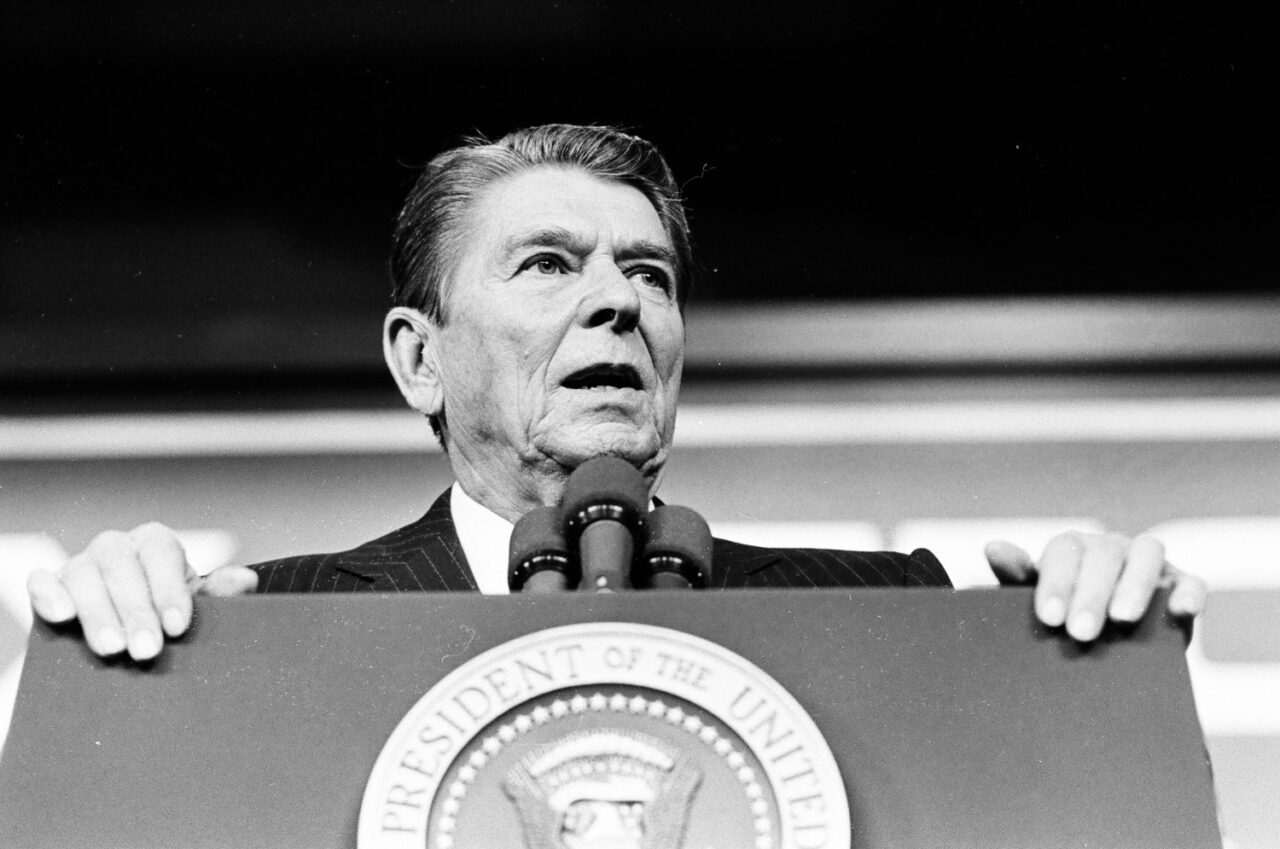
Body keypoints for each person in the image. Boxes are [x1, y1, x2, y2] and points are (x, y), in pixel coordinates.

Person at [26, 124, 1206, 662]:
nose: (620, 304)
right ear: (416, 359)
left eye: (646, 274)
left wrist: (1088, 654)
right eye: (547, 265)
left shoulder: (883, 611)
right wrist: (116, 651)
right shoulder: (260, 630)